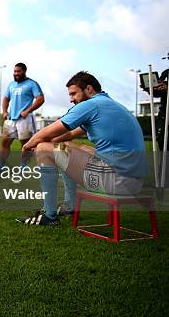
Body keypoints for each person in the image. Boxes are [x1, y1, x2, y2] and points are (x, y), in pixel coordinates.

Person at [17, 71, 148, 226]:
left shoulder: (90, 105)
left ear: (89, 89)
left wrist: (28, 147)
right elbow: (70, 133)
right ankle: (69, 206)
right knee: (69, 147)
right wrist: (49, 143)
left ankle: (49, 215)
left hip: (117, 181)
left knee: (44, 149)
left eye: (73, 94)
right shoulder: (110, 105)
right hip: (134, 182)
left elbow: (47, 131)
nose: (71, 99)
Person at [0, 63, 44, 168]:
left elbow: (40, 99)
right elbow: (5, 98)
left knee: (25, 145)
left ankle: (23, 167)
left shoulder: (32, 84)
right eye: (14, 71)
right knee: (4, 143)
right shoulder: (11, 84)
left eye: (18, 71)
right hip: (10, 120)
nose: (16, 73)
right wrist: (4, 111)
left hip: (25, 120)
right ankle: (0, 166)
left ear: (24, 71)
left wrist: (28, 110)